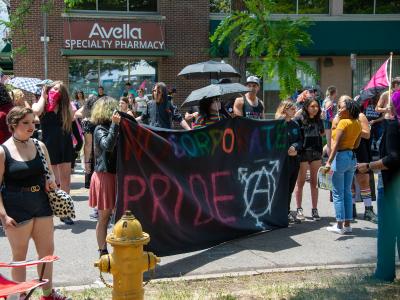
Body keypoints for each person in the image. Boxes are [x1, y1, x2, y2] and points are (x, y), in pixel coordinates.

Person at [0, 106, 70, 300]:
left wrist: (51, 182)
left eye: (33, 122)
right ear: (13, 124)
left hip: (41, 202)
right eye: (26, 123)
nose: (32, 126)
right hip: (16, 206)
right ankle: (20, 295)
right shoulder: (2, 151)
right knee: (19, 258)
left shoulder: (40, 145)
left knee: (47, 253)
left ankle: (47, 294)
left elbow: (49, 173)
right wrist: (3, 215)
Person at [358, 90, 400, 281]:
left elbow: (392, 158)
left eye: (391, 104)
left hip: (391, 185)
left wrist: (367, 166)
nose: (386, 107)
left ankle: (384, 274)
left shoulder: (393, 125)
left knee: (386, 231)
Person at [32, 81, 74, 225]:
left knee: (66, 180)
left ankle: (65, 212)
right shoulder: (42, 105)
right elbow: (36, 111)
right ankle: (47, 210)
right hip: (48, 146)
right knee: (51, 181)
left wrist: (65, 101)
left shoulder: (65, 107)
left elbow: (72, 115)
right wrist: (44, 96)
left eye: (60, 90)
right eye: (54, 89)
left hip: (65, 144)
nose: (57, 92)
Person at [325, 96, 362, 234]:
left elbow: (336, 145)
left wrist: (329, 161)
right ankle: (347, 224)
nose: (339, 109)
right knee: (346, 191)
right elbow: (357, 144)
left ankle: (339, 225)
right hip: (351, 157)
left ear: (349, 109)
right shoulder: (357, 123)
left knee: (337, 192)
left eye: (342, 107)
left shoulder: (343, 123)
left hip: (340, 157)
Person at [89, 97, 120, 257]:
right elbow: (108, 145)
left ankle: (119, 250)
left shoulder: (116, 127)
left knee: (119, 216)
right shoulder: (100, 129)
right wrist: (115, 125)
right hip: (105, 176)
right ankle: (103, 251)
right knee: (104, 217)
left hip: (117, 175)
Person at [294, 98, 325, 221]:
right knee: (300, 183)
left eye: (317, 106)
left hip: (316, 153)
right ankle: (299, 209)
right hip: (303, 153)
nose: (315, 108)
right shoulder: (299, 119)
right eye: (312, 106)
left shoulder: (319, 120)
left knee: (314, 183)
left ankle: (314, 209)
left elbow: (322, 134)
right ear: (306, 107)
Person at [275, 100, 302, 224]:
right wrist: (286, 149)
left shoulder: (295, 124)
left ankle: (286, 211)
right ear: (285, 109)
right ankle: (279, 212)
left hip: (294, 160)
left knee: (290, 188)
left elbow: (301, 140)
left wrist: (295, 147)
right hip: (281, 161)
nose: (294, 110)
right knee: (282, 188)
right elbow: (274, 141)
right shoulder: (277, 124)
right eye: (292, 109)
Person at [352, 99, 378, 222]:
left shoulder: (360, 116)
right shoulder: (340, 117)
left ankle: (368, 210)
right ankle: (351, 209)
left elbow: (367, 134)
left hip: (361, 152)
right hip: (346, 152)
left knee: (363, 181)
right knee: (349, 182)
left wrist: (353, 126)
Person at [321, 86, 337, 156]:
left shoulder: (326, 100)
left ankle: (320, 157)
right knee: (329, 144)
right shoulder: (329, 102)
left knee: (329, 142)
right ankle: (329, 161)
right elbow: (328, 116)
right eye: (336, 92)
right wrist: (335, 122)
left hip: (327, 123)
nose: (337, 94)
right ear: (334, 93)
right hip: (329, 124)